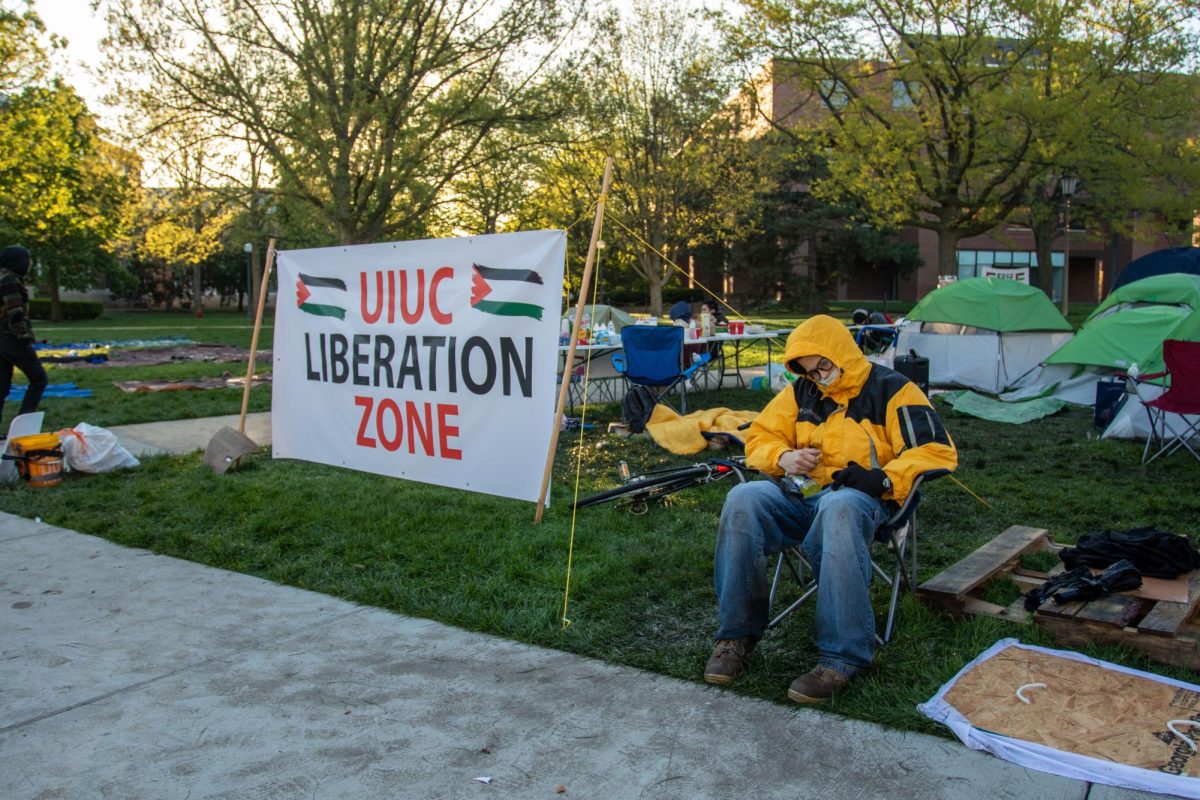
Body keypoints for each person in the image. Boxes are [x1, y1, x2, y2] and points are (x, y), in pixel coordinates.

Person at [703, 314, 956, 702]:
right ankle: (735, 637)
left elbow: (936, 450)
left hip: (870, 502)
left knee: (839, 506)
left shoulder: (894, 389)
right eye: (809, 372)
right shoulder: (801, 392)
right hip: (802, 496)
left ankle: (843, 658)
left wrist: (886, 478)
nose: (819, 378)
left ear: (843, 353)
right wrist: (784, 456)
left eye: (823, 365)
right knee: (743, 498)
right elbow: (760, 437)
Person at [0, 246, 48, 434]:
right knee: (38, 379)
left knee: (2, 386)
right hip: (11, 338)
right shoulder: (9, 281)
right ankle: (22, 428)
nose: (28, 265)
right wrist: (24, 337)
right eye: (26, 261)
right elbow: (15, 312)